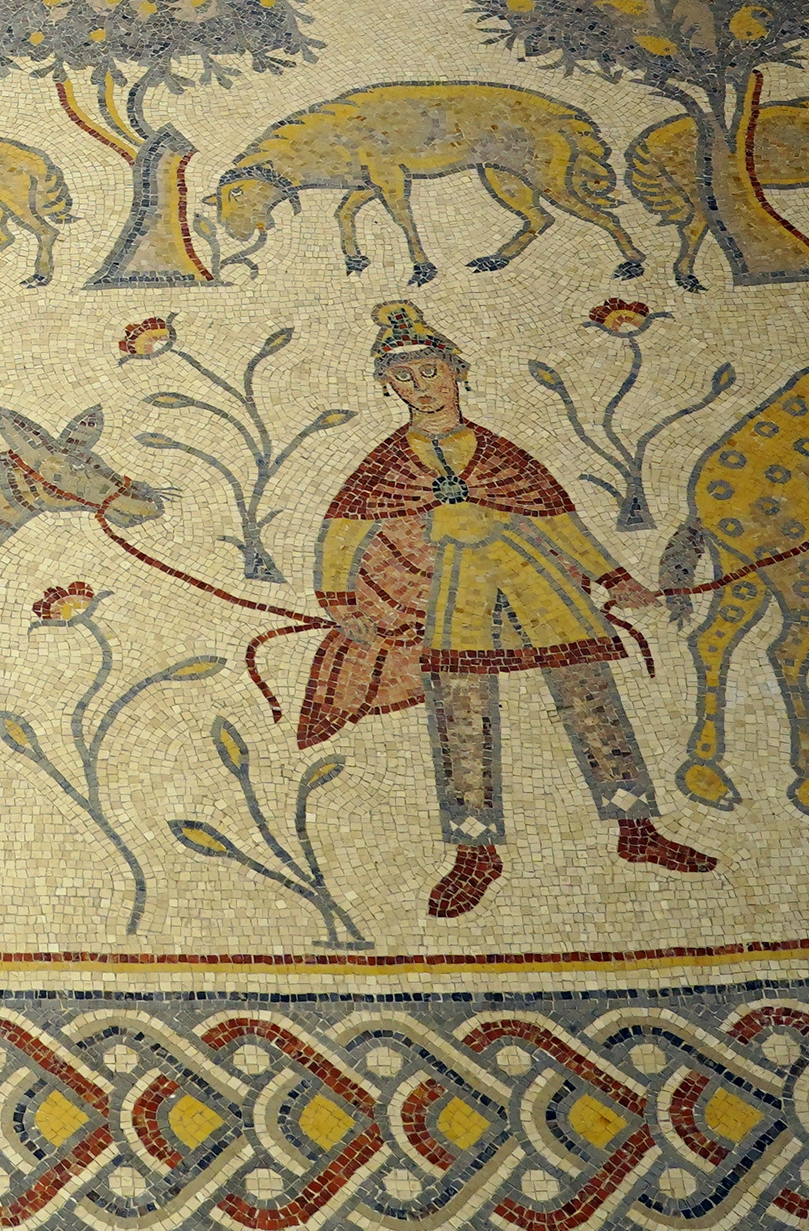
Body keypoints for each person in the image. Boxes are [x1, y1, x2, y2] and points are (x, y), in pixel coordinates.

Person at [298, 301, 717, 918]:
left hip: (536, 583)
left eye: (431, 371)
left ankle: (638, 830)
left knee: (590, 695)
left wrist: (613, 577)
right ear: (387, 385)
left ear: (457, 371)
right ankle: (474, 852)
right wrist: (337, 599)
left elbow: (557, 517)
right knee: (460, 712)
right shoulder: (387, 461)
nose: (421, 386)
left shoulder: (501, 453)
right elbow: (344, 527)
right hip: (453, 593)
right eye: (404, 377)